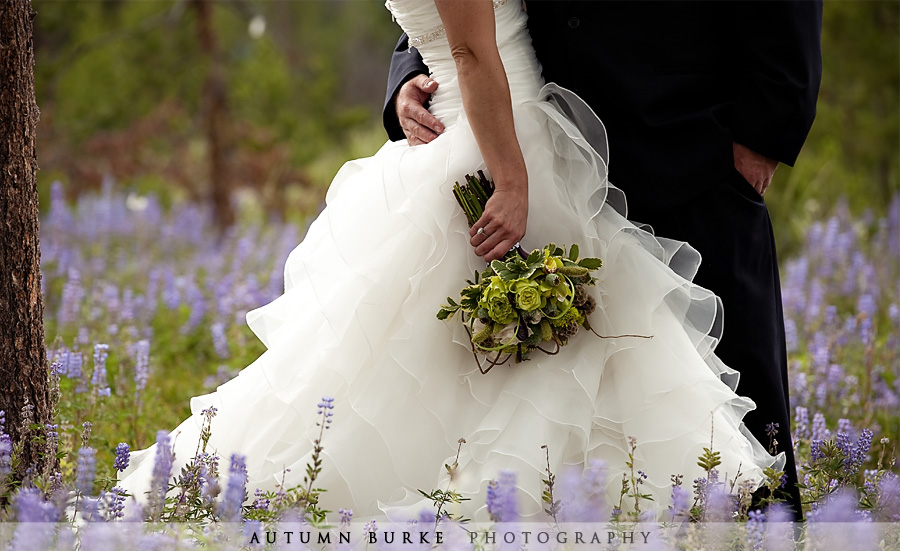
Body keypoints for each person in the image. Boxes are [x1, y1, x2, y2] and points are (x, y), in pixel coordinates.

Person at [120, 0, 789, 522]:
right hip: (507, 139)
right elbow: (465, 45)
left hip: (641, 128)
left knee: (584, 333)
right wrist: (487, 153)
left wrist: (769, 126)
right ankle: (542, 511)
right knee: (531, 337)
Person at [384, 0, 822, 519]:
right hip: (544, 153)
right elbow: (461, 27)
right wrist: (409, 78)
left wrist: (764, 131)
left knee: (733, 374)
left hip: (691, 144)